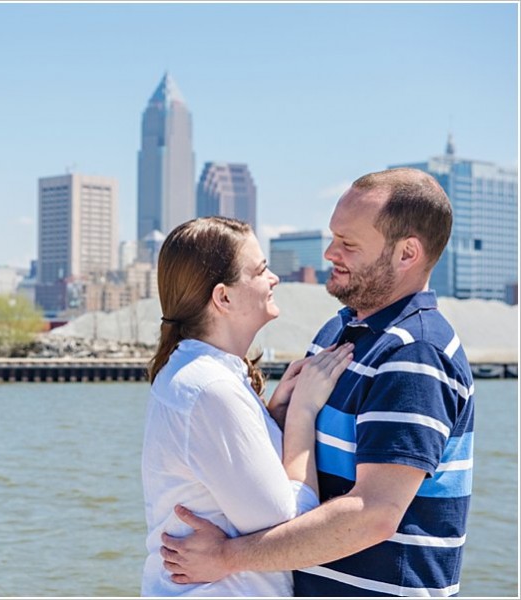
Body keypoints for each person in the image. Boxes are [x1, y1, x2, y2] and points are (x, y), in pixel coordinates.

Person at [160, 168, 475, 597]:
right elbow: (287, 467)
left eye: (348, 243)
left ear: (407, 253)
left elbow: (373, 515)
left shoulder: (416, 354)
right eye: (333, 237)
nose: (330, 253)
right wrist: (274, 417)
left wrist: (228, 557)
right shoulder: (336, 332)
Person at [141, 216, 355, 596]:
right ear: (223, 298)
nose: (274, 279)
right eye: (260, 270)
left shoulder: (196, 373)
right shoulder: (211, 389)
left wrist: (272, 418)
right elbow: (292, 528)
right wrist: (302, 413)